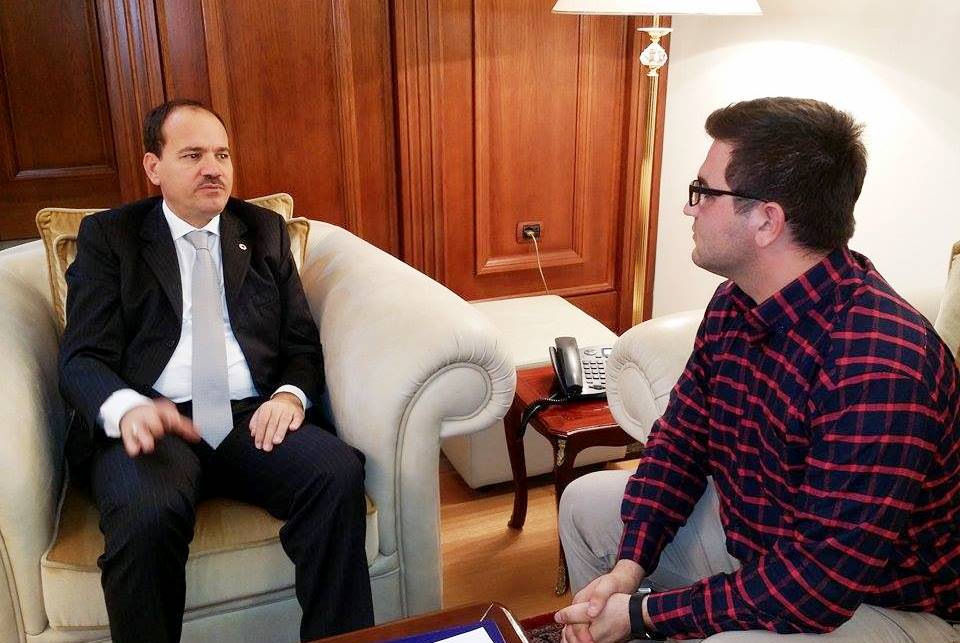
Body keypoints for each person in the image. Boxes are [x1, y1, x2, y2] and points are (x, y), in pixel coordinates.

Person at [554, 97, 960, 642]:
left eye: (704, 191)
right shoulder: (735, 302)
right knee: (586, 502)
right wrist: (628, 569)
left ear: (767, 220)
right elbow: (680, 443)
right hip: (768, 551)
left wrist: (643, 613)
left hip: (884, 601)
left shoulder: (880, 363)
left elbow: (819, 586)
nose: (690, 209)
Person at [59, 99, 373, 642]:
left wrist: (290, 396)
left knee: (335, 473)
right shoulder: (111, 237)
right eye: (193, 155)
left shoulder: (263, 230)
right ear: (154, 167)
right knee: (146, 514)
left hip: (250, 417)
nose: (213, 168)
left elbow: (300, 342)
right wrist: (127, 409)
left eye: (222, 154)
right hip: (155, 422)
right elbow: (81, 356)